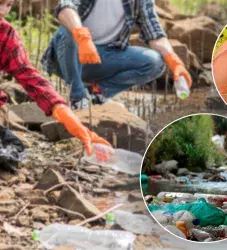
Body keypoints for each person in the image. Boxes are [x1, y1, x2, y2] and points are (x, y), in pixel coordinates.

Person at [0, 0, 110, 156]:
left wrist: (67, 116)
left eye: (8, 5)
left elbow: (28, 74)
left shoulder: (6, 34)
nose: (3, 11)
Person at [42, 0, 192, 109]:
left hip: (104, 57)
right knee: (66, 32)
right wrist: (83, 37)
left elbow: (155, 34)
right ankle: (78, 98)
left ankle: (98, 93)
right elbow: (65, 7)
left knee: (155, 62)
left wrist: (174, 61)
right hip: (69, 57)